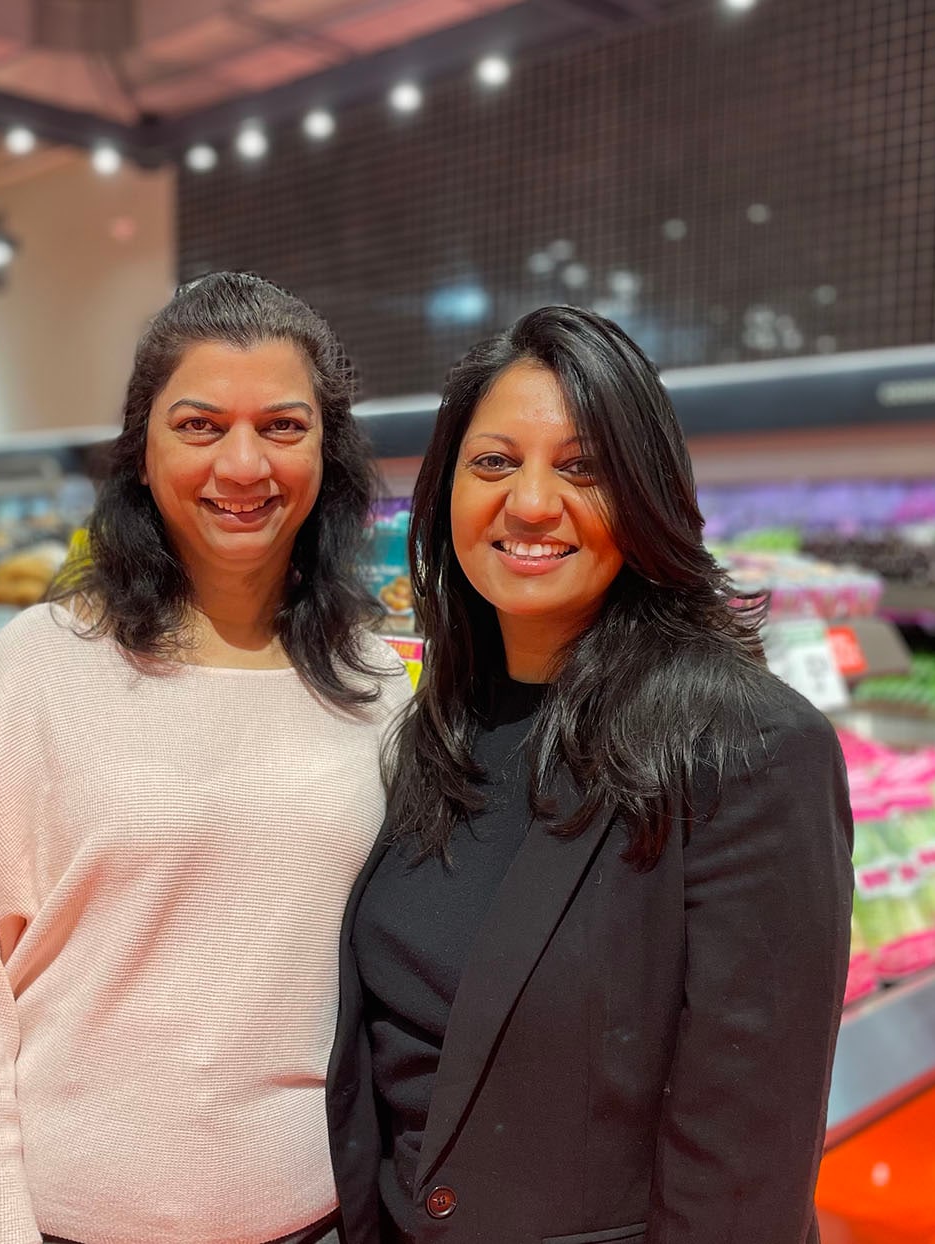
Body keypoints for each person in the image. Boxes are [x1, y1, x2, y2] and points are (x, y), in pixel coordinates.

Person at [0, 272, 413, 1244]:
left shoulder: (376, 681)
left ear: (327, 451)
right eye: (201, 425)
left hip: (319, 1219)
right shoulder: (40, 669)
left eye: (284, 426)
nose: (244, 464)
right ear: (142, 449)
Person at [327, 305, 854, 1244]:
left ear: (649, 495)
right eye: (494, 463)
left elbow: (742, 1176)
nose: (531, 503)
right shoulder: (436, 722)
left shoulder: (749, 749)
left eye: (583, 468)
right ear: (446, 491)